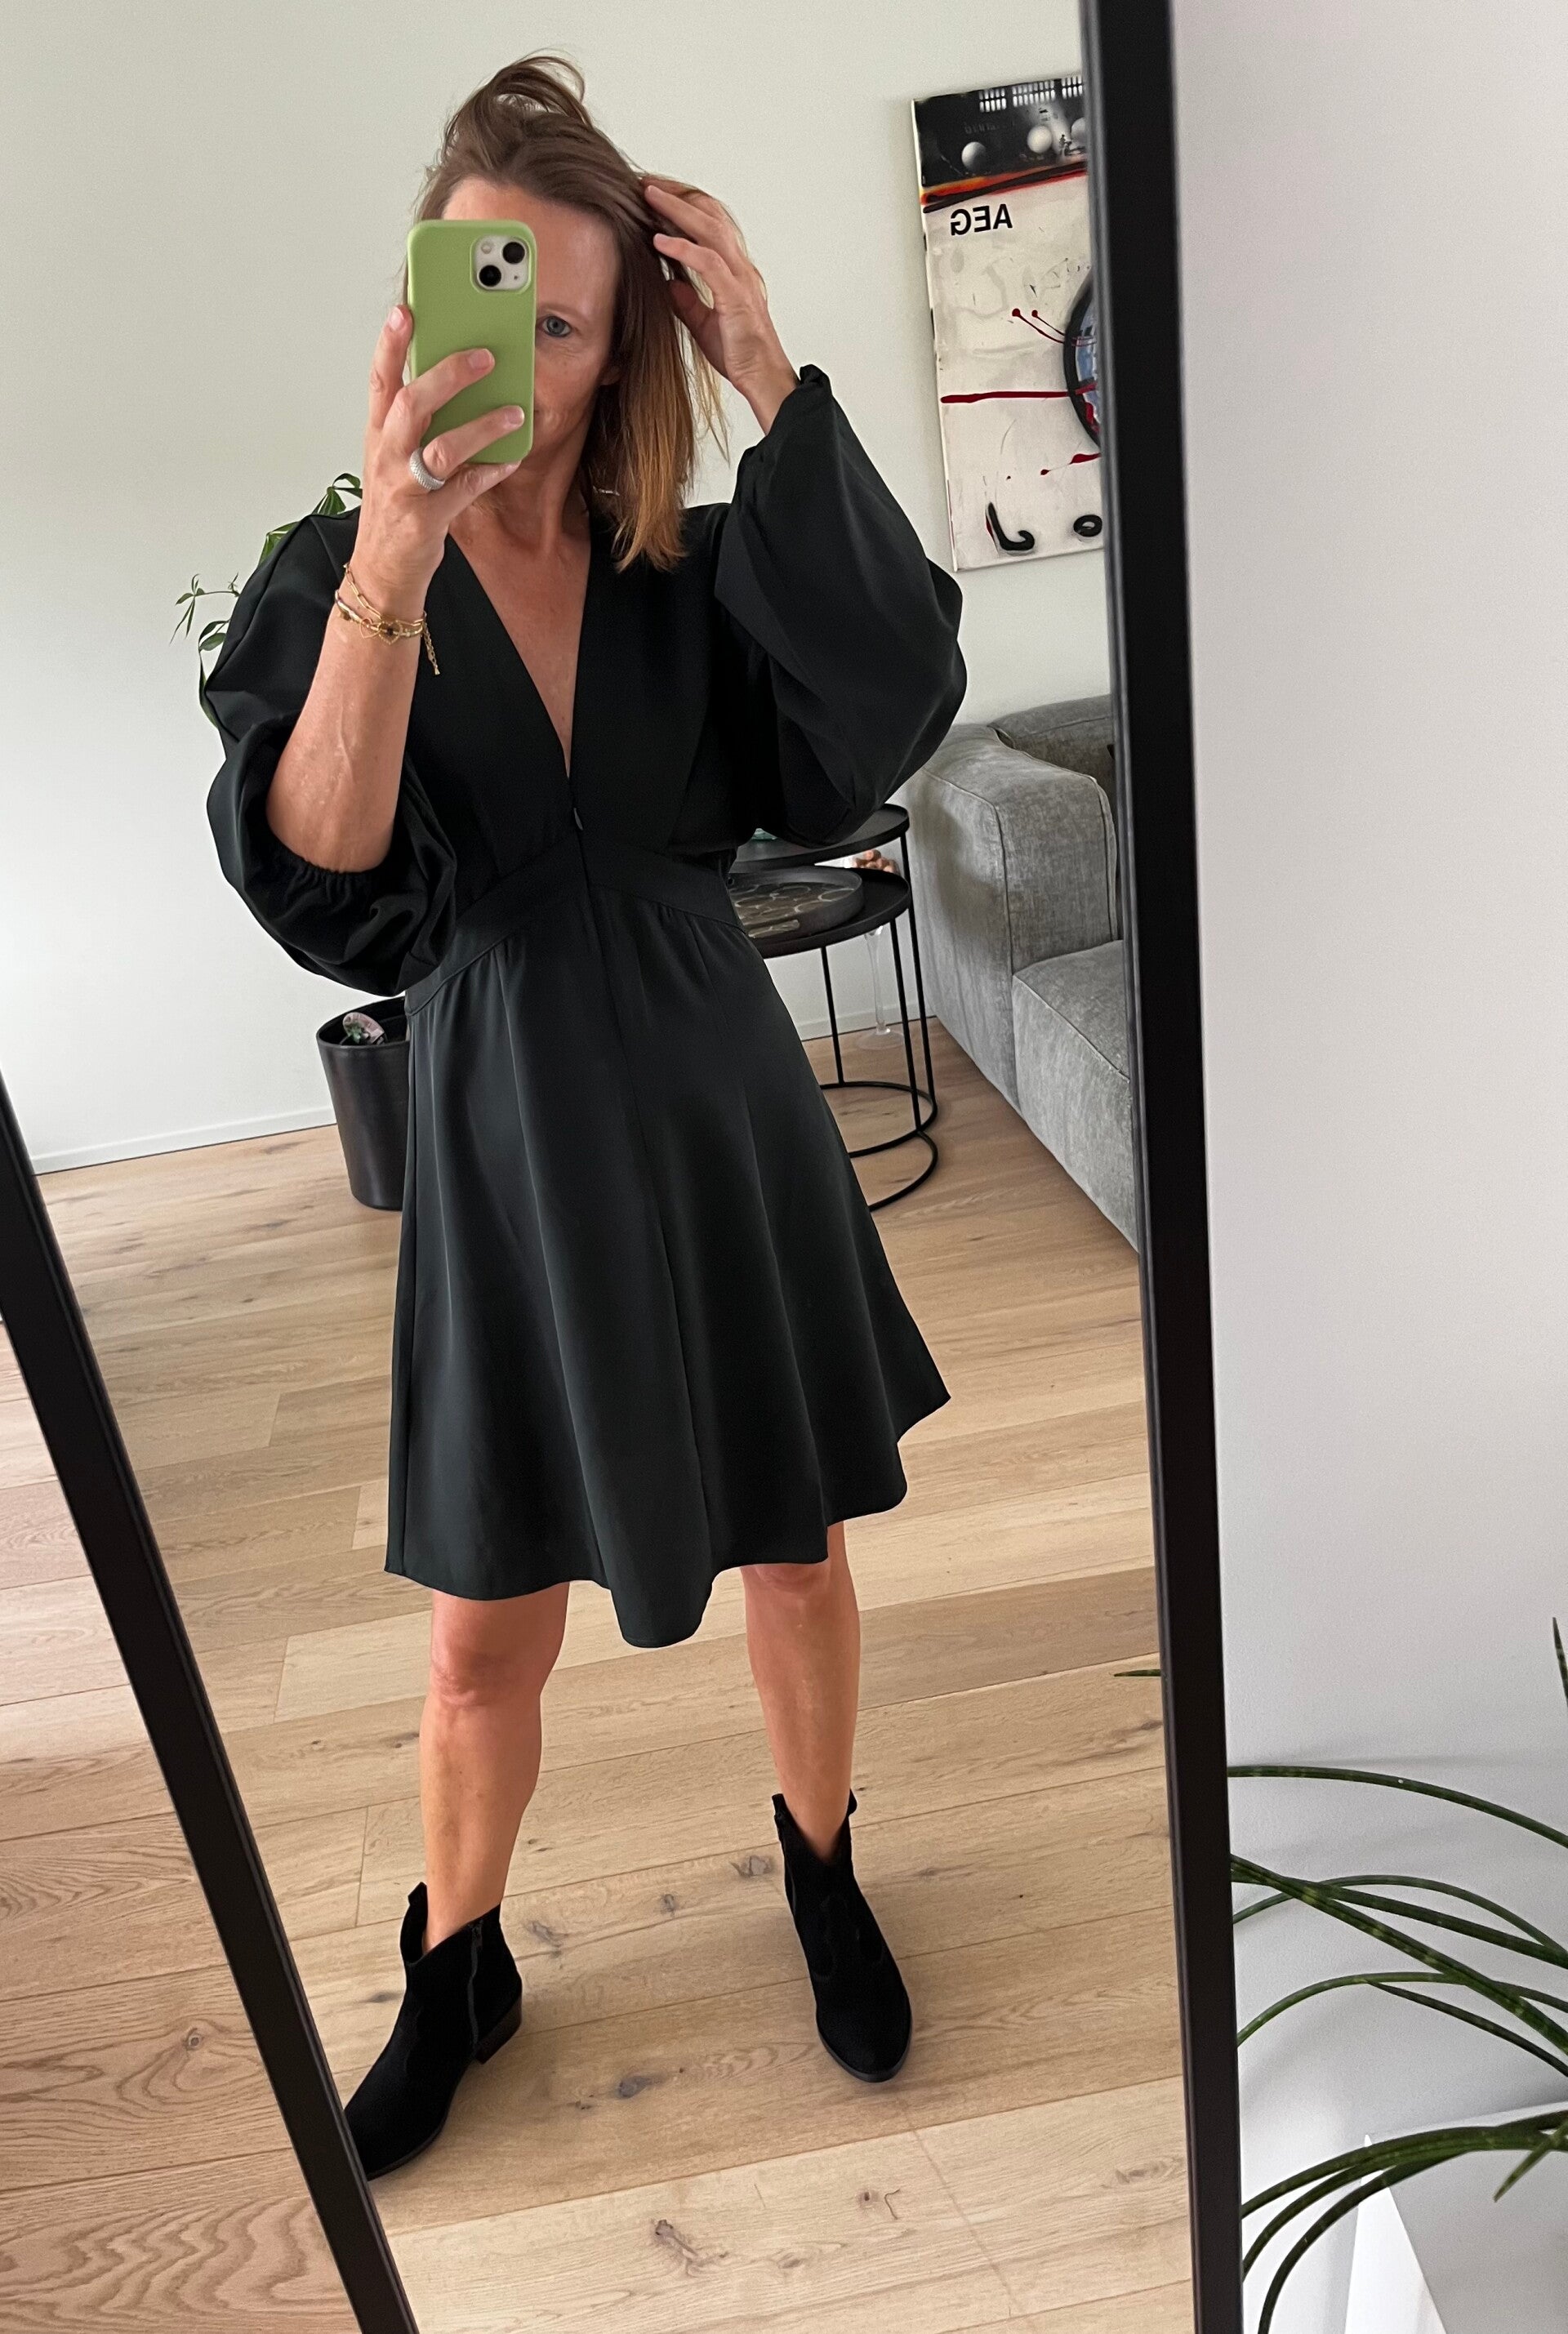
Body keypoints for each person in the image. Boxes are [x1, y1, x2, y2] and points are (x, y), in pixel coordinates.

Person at [204, 55, 964, 2180]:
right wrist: (398, 537)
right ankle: (459, 1963)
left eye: (566, 321)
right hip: (504, 1136)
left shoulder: (688, 568)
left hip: (721, 1111)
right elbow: (324, 862)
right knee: (480, 1634)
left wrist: (769, 364)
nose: (521, 362)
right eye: (487, 301)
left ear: (624, 338)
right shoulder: (338, 572)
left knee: (796, 1548)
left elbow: (888, 702)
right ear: (416, 304)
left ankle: (822, 1866)